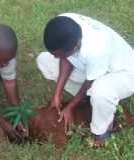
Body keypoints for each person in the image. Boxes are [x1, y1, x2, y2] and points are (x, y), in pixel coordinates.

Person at [36, 13, 134, 147]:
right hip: (92, 67)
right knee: (44, 60)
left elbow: (90, 83)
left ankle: (103, 131)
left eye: (58, 54)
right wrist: (56, 95)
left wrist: (70, 107)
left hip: (122, 73)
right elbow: (65, 59)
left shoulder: (97, 49)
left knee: (100, 90)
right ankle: (93, 102)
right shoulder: (64, 24)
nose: (56, 57)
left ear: (74, 47)